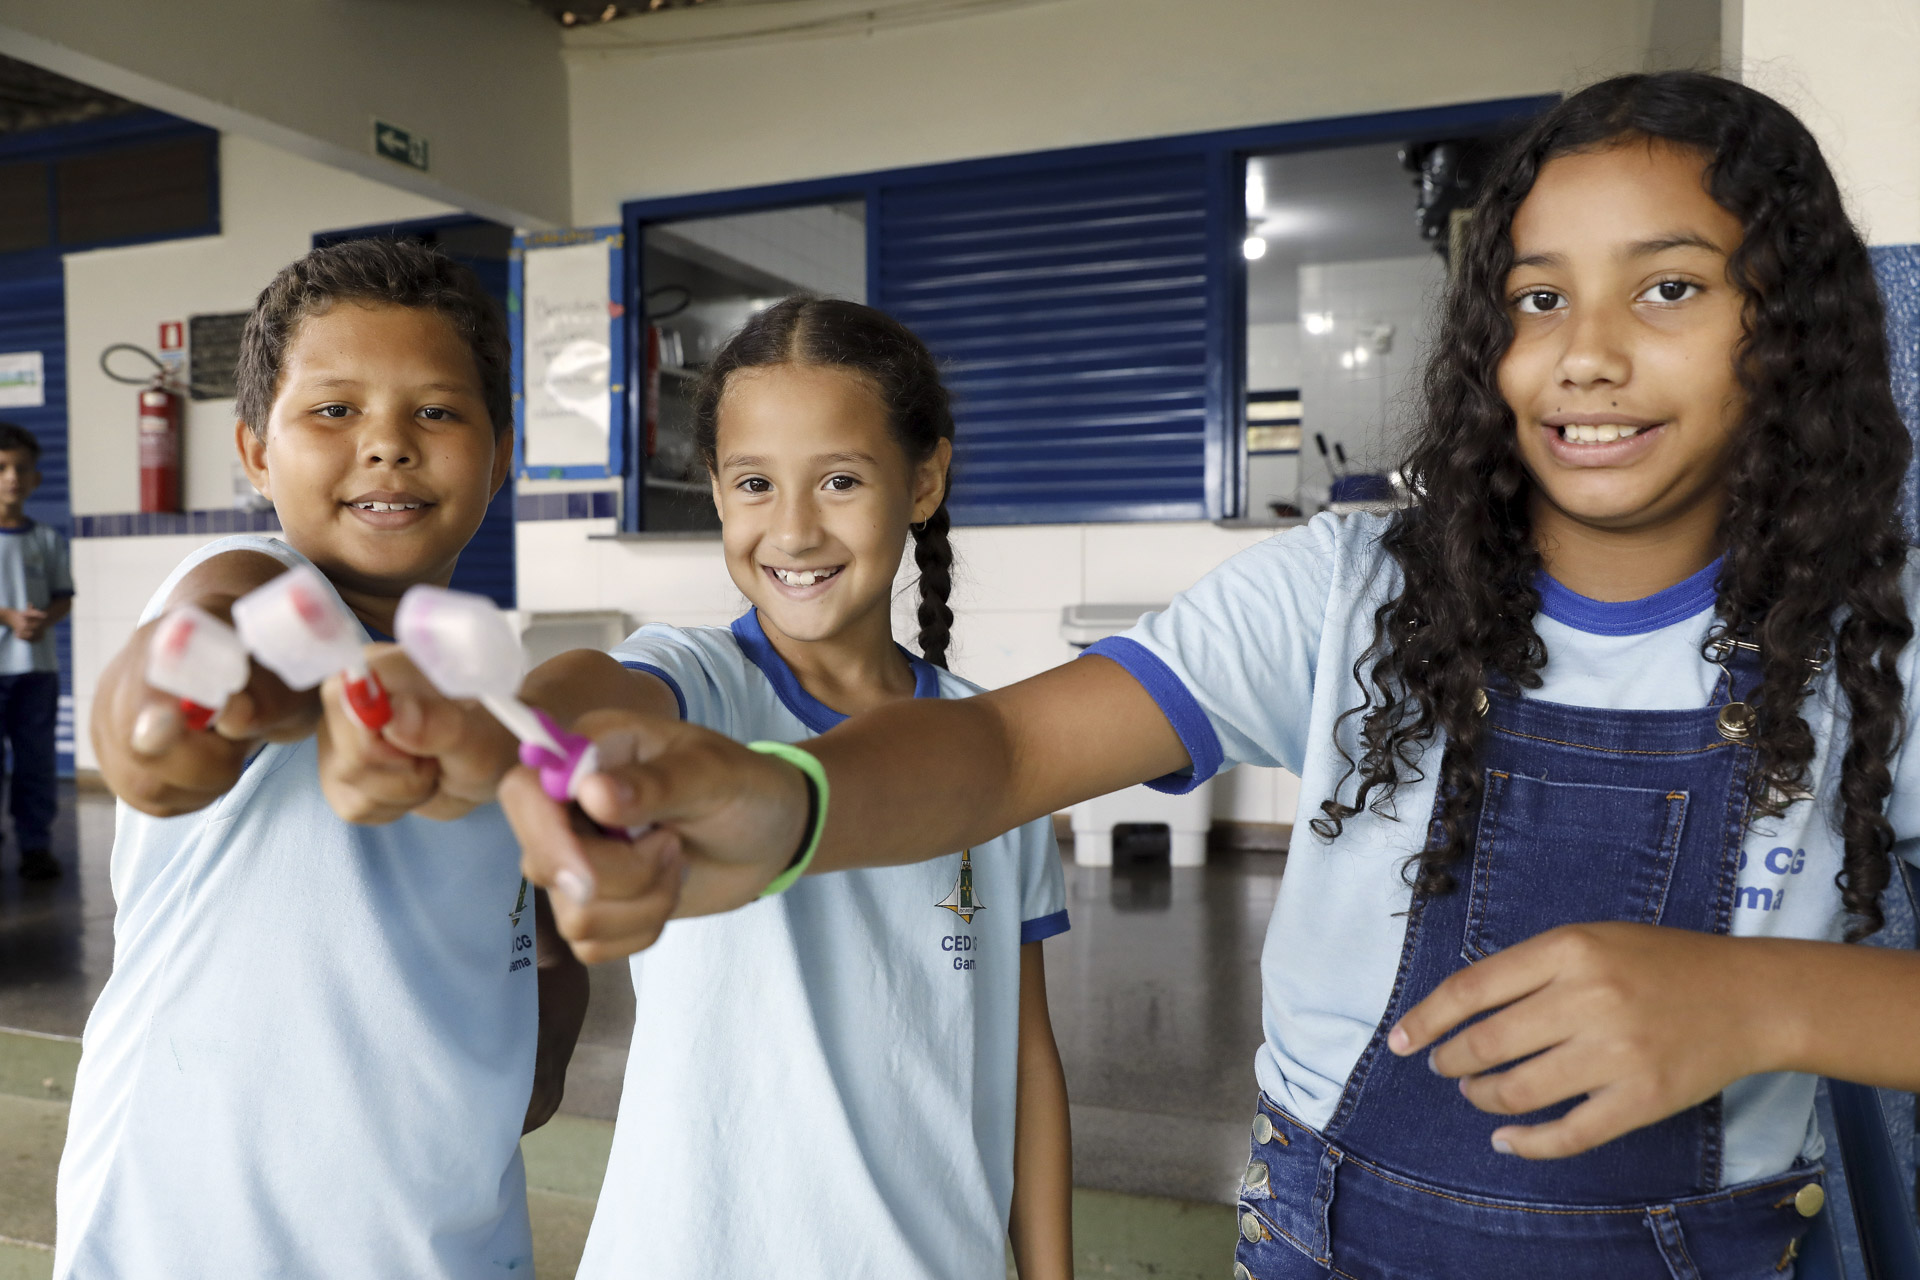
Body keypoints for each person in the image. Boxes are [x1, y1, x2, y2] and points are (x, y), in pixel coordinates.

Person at [500, 72, 1920, 1276]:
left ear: (1787, 325)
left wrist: (1769, 1004)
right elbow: (997, 756)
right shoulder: (1350, 591)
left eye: (1668, 286)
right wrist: (783, 801)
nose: (1588, 355)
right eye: (1539, 297)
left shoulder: (1881, 641)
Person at [326, 296, 1075, 1279]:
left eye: (841, 479)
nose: (795, 528)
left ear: (924, 479)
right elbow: (591, 693)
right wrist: (493, 723)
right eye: (756, 482)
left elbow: (1024, 1060)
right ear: (718, 493)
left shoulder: (992, 748)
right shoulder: (699, 680)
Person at [58, 240, 587, 1278]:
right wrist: (169, 711)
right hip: (193, 1236)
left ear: (502, 448)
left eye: (435, 411)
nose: (386, 445)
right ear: (255, 452)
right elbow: (183, 694)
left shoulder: (490, 679)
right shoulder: (251, 581)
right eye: (333, 411)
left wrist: (545, 1028)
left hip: (446, 1235)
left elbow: (533, 915)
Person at [0, 421, 71, 880]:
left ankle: (35, 845)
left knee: (35, 762)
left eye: (21, 468)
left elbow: (63, 596)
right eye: (3, 467)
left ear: (36, 478)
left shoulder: (47, 540)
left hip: (37, 673)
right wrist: (7, 617)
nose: (12, 477)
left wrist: (45, 619)